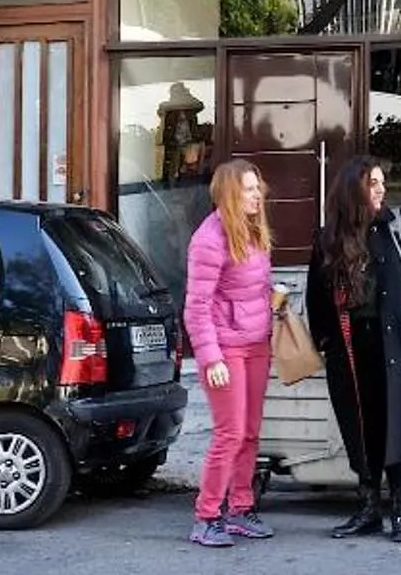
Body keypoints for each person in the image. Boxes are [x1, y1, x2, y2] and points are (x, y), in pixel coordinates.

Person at [308, 156, 401, 544]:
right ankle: (367, 507)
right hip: (351, 345)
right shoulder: (328, 237)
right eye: (373, 183)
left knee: (396, 423)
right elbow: (317, 296)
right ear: (353, 190)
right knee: (359, 425)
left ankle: (400, 509)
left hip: (395, 341)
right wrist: (327, 341)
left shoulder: (398, 226)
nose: (381, 189)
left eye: (383, 182)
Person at [183, 160, 278, 549]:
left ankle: (240, 509)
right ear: (228, 194)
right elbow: (196, 307)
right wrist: (211, 358)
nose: (257, 195)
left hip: (257, 343)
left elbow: (252, 288)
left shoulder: (252, 230)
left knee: (251, 432)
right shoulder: (208, 240)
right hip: (225, 348)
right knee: (230, 432)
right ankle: (206, 517)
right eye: (249, 189)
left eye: (258, 188)